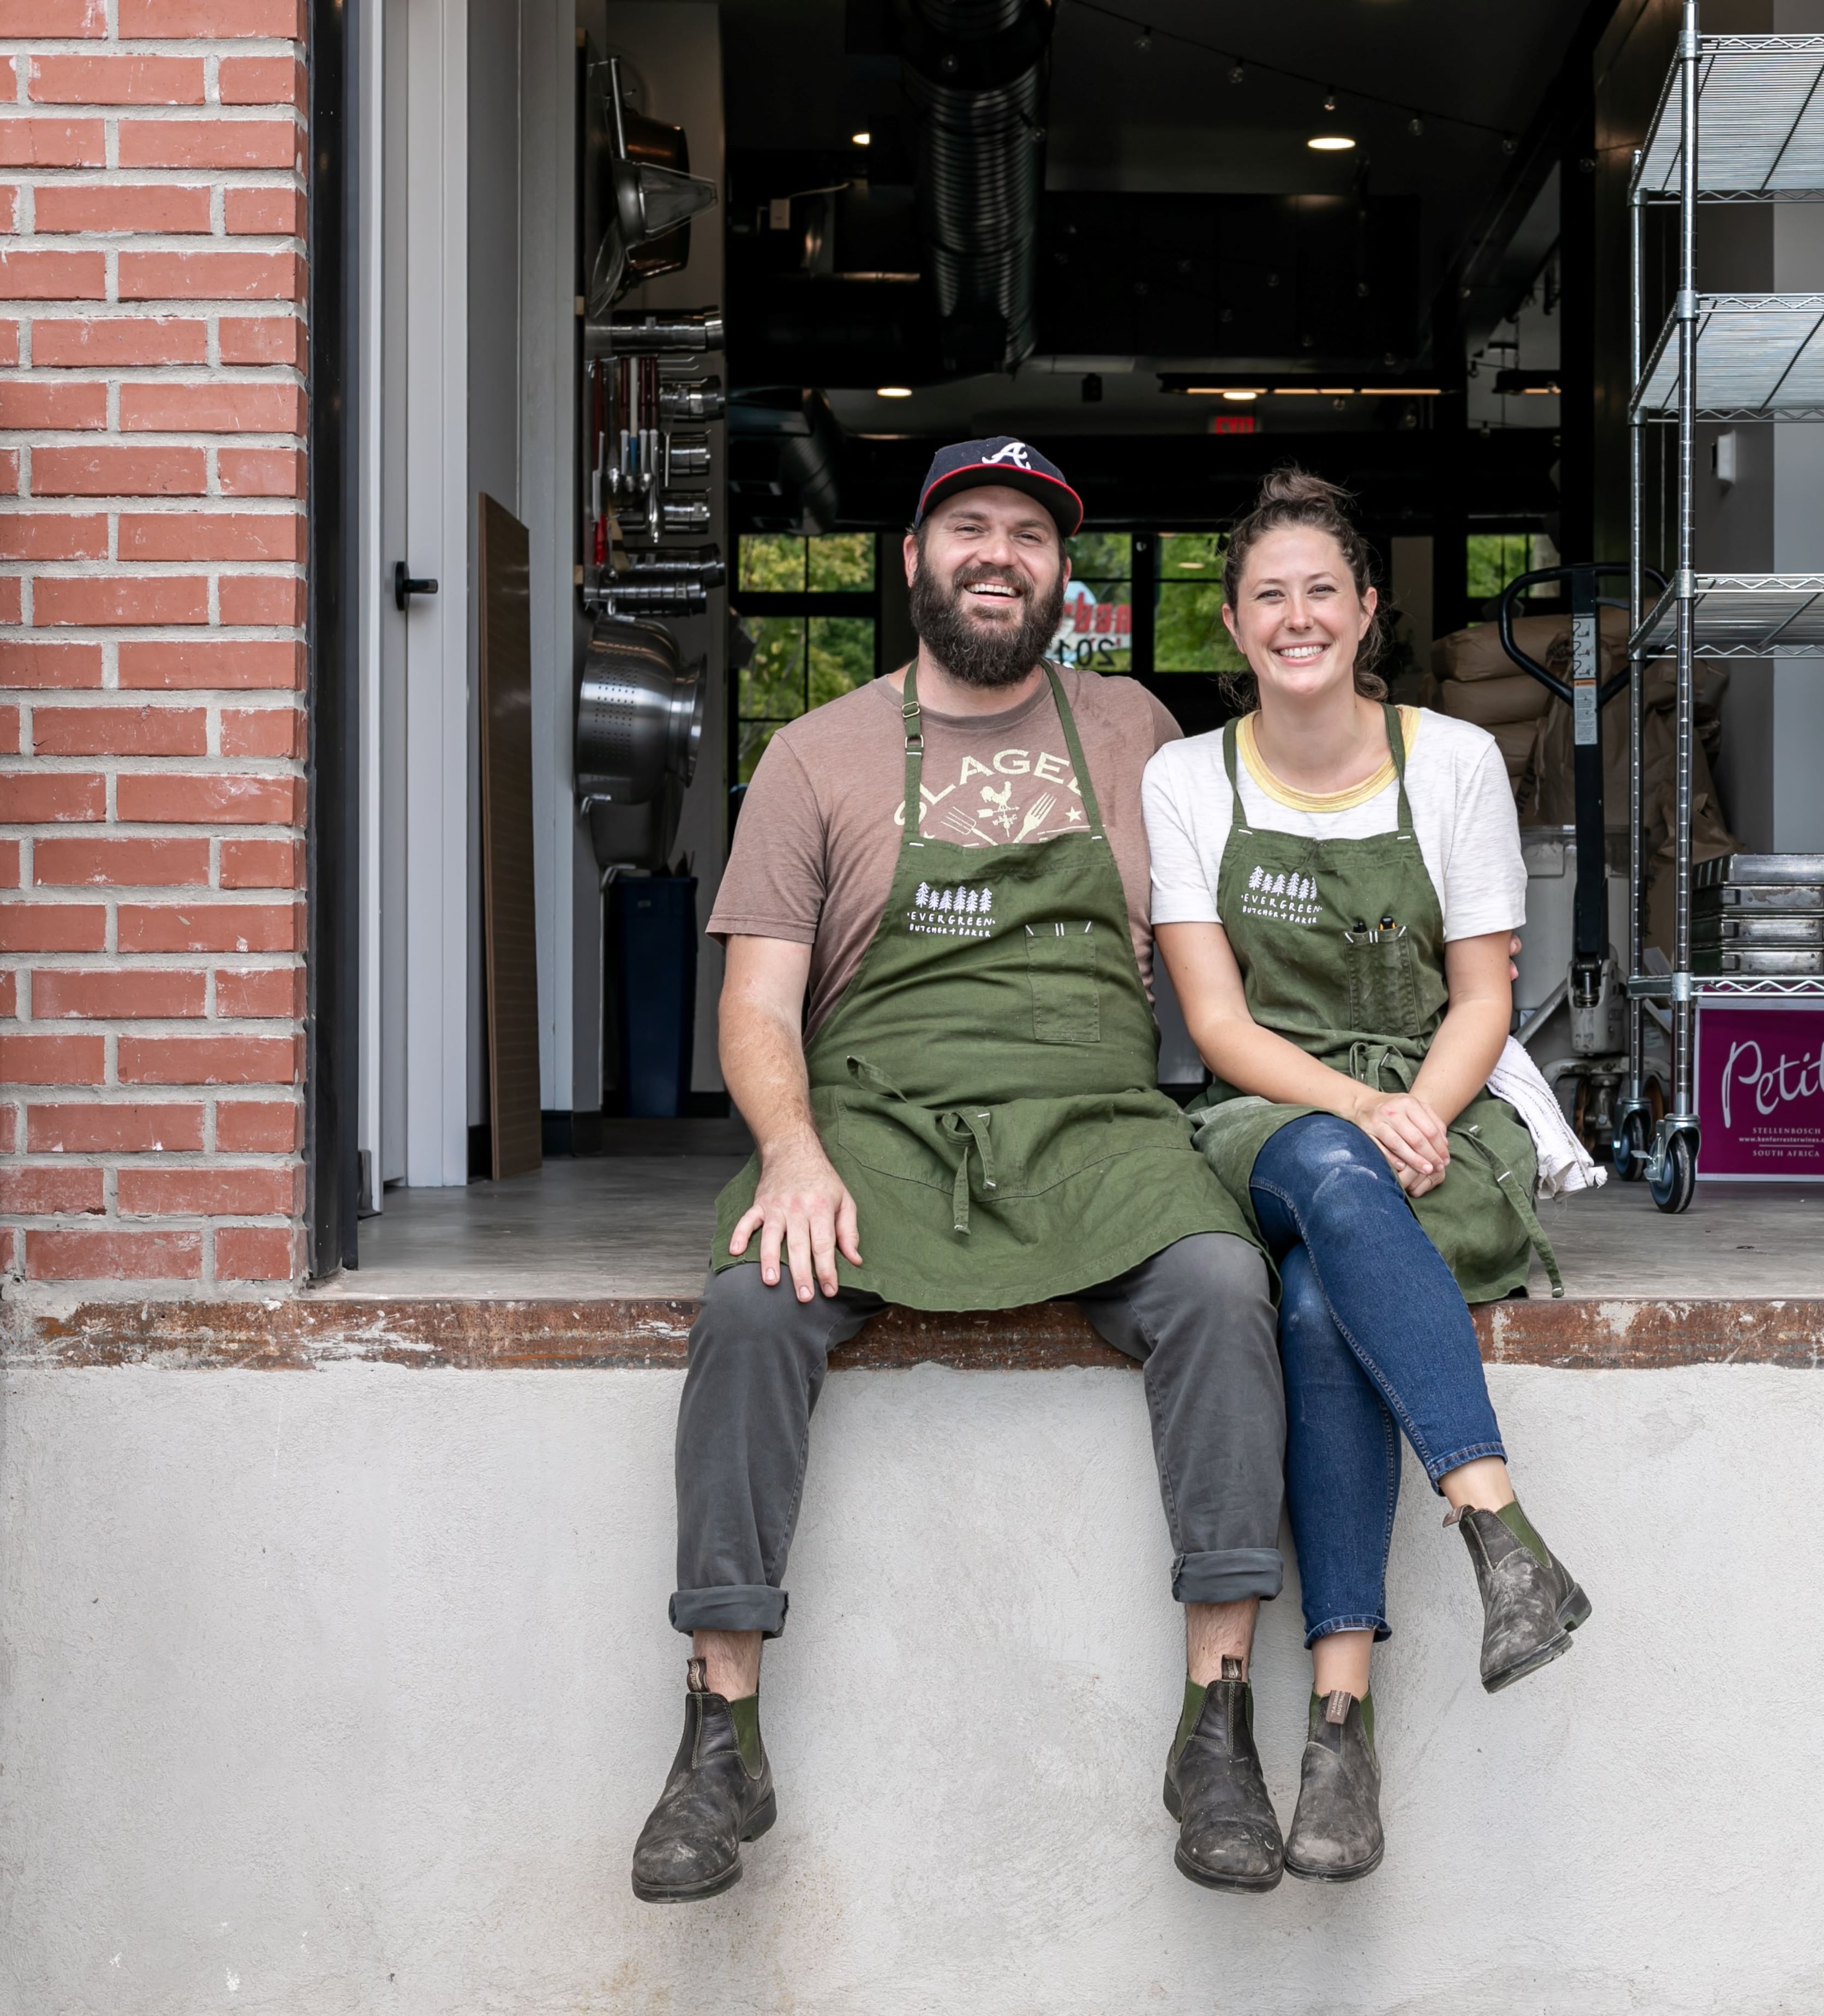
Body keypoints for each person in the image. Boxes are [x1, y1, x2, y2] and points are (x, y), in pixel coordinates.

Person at [631, 439, 1297, 1904]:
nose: (999, 554)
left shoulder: (1139, 733)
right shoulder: (814, 754)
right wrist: (792, 1153)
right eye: (969, 527)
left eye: (1030, 535)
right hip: (881, 1124)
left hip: (1097, 1123)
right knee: (750, 1305)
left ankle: (1220, 1724)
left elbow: (1243, 905)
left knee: (1221, 1286)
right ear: (915, 559)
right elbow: (756, 1006)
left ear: (1062, 575)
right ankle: (718, 1735)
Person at [1143, 468, 1594, 1885]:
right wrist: (1360, 1108)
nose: (1298, 618)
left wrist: (1423, 1111)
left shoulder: (1453, 761)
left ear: (1367, 609)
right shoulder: (1188, 778)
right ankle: (1498, 1525)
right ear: (1233, 623)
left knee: (1319, 1307)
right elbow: (1217, 1025)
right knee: (1336, 1177)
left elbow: (1484, 996)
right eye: (1268, 596)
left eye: (1321, 591)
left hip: (1442, 1099)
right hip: (1273, 1111)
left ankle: (1341, 1730)